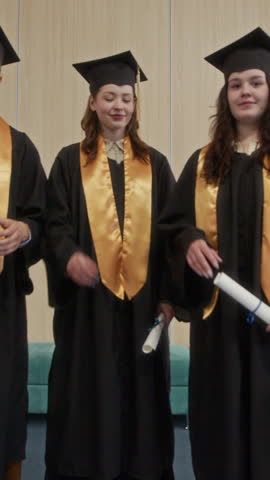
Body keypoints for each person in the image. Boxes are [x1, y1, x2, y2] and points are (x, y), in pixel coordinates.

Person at [44, 51, 175, 480]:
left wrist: (170, 297)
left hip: (142, 308)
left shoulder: (155, 164)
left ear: (135, 105)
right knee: (86, 389)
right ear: (92, 102)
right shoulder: (68, 162)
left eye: (127, 98)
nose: (119, 105)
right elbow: (54, 223)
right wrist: (68, 258)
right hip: (87, 309)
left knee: (141, 394)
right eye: (109, 96)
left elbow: (174, 235)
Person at [160, 27, 270, 480]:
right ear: (225, 94)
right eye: (235, 84)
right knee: (220, 422)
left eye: (256, 81)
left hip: (269, 320)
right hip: (218, 318)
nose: (245, 91)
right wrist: (190, 242)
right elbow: (172, 225)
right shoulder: (205, 162)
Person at [0, 26, 46, 480]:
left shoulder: (19, 147)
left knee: (2, 391)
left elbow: (41, 215)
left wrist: (25, 232)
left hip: (1, 299)